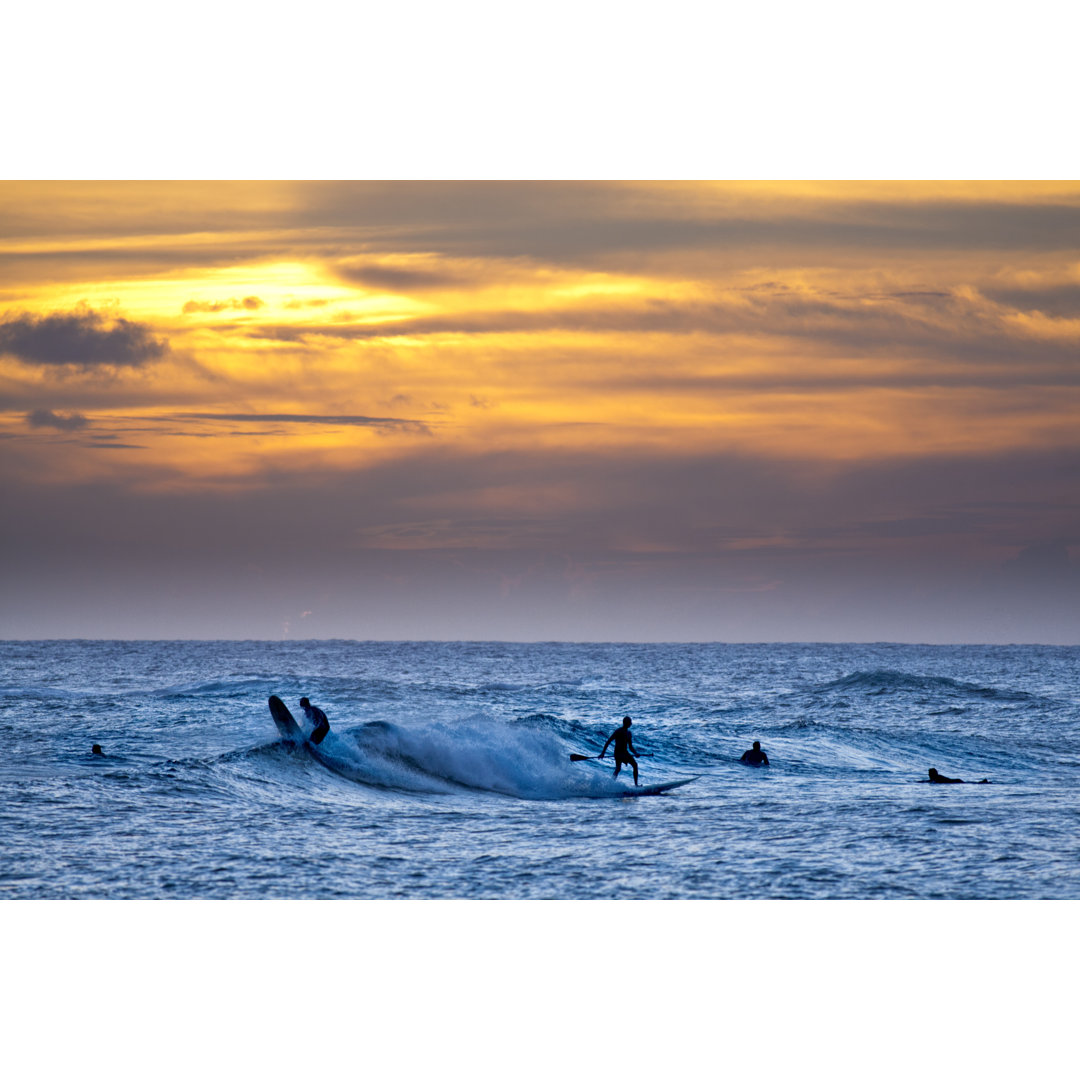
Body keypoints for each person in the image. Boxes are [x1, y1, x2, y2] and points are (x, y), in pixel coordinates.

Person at [600, 716, 639, 785]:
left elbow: (630, 747)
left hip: (625, 753)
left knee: (633, 765)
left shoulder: (629, 733)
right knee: (619, 768)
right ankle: (611, 784)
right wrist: (603, 753)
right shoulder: (618, 731)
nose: (631, 723)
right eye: (630, 722)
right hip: (618, 753)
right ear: (625, 723)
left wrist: (635, 753)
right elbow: (608, 741)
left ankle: (636, 785)